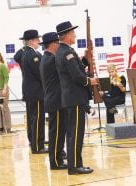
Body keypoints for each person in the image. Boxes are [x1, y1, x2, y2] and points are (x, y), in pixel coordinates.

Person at [55, 21, 97, 175]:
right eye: (72, 33)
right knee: (75, 133)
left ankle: (76, 164)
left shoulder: (65, 51)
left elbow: (76, 68)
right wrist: (89, 81)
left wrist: (85, 59)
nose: (75, 35)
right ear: (66, 36)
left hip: (72, 98)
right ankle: (74, 166)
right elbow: (76, 75)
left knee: (74, 133)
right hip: (75, 98)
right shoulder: (67, 53)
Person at [39, 32, 67, 170]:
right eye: (57, 43)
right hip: (55, 101)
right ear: (52, 44)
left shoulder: (47, 58)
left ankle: (58, 159)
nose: (59, 46)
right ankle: (55, 162)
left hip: (55, 100)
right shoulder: (50, 60)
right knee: (55, 133)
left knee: (59, 132)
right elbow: (66, 68)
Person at [20, 29, 47, 154]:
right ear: (31, 41)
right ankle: (38, 145)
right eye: (37, 39)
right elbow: (40, 74)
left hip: (29, 91)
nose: (39, 41)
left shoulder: (25, 53)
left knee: (32, 118)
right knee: (37, 118)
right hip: (36, 92)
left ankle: (34, 140)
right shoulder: (33, 55)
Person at [0, 51, 12, 133]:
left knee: (4, 108)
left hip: (3, 90)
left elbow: (6, 78)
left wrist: (4, 89)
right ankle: (1, 126)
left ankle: (7, 127)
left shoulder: (3, 66)